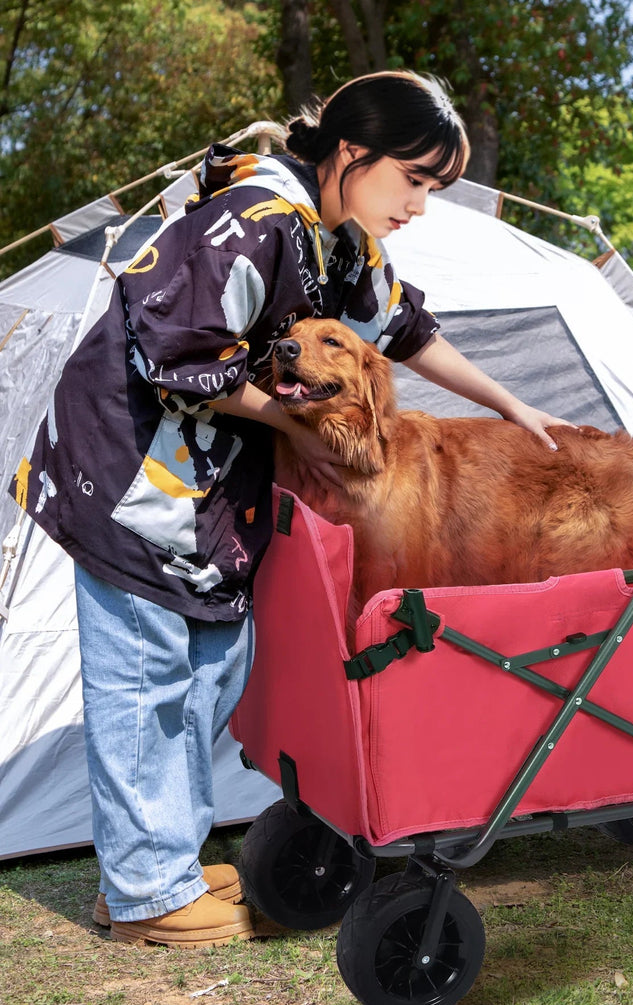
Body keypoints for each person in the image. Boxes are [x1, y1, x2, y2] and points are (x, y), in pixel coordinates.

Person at [8, 70, 571, 948]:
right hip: (130, 477)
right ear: (353, 152)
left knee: (207, 676)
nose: (420, 205)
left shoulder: (337, 238)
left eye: (432, 186)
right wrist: (293, 426)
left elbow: (403, 329)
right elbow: (175, 349)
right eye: (414, 179)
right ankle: (149, 893)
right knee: (147, 682)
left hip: (205, 494)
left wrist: (511, 405)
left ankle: (161, 865)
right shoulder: (257, 221)